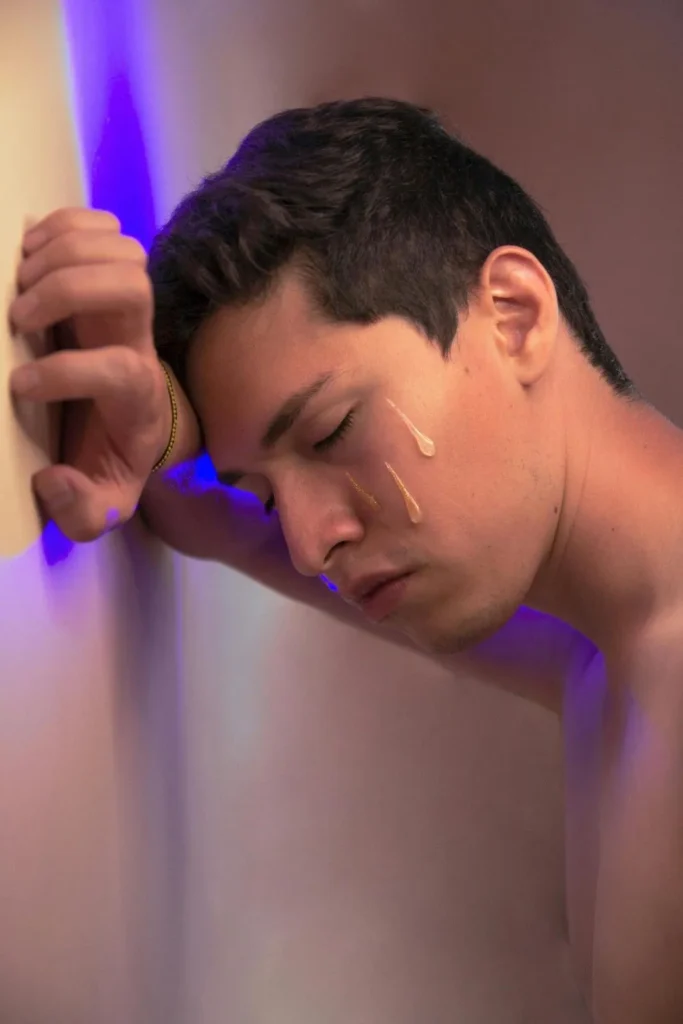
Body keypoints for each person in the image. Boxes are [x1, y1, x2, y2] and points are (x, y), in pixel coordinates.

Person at [8, 97, 683, 1023]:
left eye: (331, 430)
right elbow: (190, 508)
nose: (306, 541)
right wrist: (158, 419)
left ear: (513, 316)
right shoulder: (602, 647)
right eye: (267, 492)